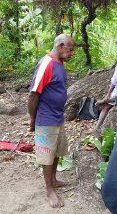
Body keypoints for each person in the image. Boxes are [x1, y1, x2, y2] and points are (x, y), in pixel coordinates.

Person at [28, 34, 75, 208]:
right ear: (61, 46)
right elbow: (33, 94)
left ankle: (54, 180)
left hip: (57, 116)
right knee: (47, 155)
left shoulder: (59, 64)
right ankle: (49, 189)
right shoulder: (46, 64)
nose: (71, 53)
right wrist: (33, 120)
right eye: (70, 50)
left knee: (55, 151)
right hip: (46, 118)